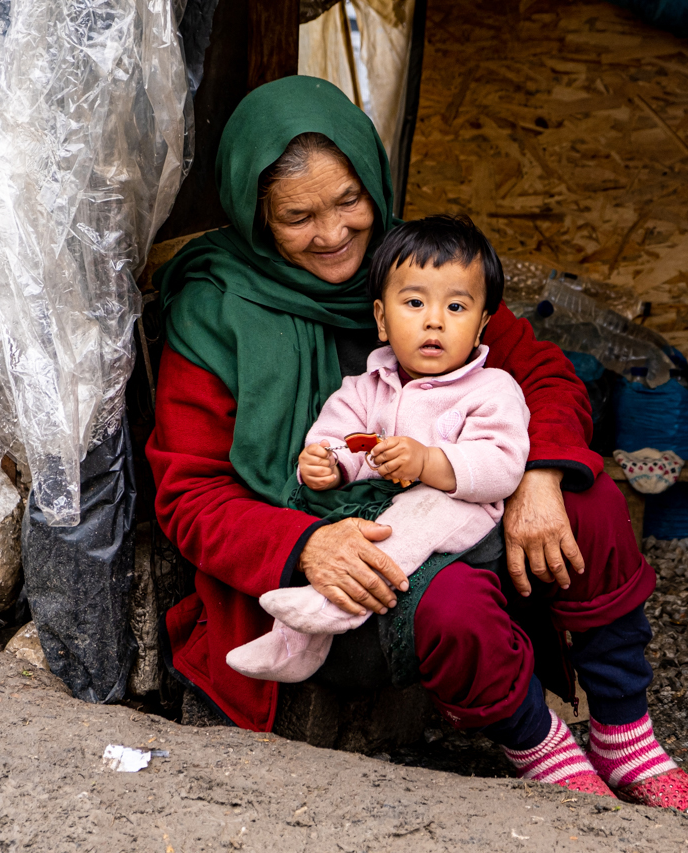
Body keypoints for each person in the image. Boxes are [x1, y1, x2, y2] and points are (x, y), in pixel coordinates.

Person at [148, 75, 688, 816]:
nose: (332, 234)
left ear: (373, 183)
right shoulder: (215, 308)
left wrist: (539, 474)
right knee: (452, 604)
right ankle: (542, 747)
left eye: (349, 201)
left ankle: (625, 737)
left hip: (457, 505)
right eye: (297, 217)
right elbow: (188, 493)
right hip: (339, 579)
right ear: (257, 218)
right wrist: (306, 545)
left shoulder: (413, 272)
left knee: (592, 499)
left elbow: (543, 373)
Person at [226, 215, 531, 683]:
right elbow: (337, 437)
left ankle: (331, 609)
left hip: (460, 510)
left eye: (456, 307)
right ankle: (293, 644)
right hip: (380, 507)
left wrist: (429, 462)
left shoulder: (491, 389)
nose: (434, 320)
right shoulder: (367, 386)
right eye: (414, 303)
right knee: (333, 527)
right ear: (382, 320)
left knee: (414, 516)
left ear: (482, 324)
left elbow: (502, 465)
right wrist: (328, 464)